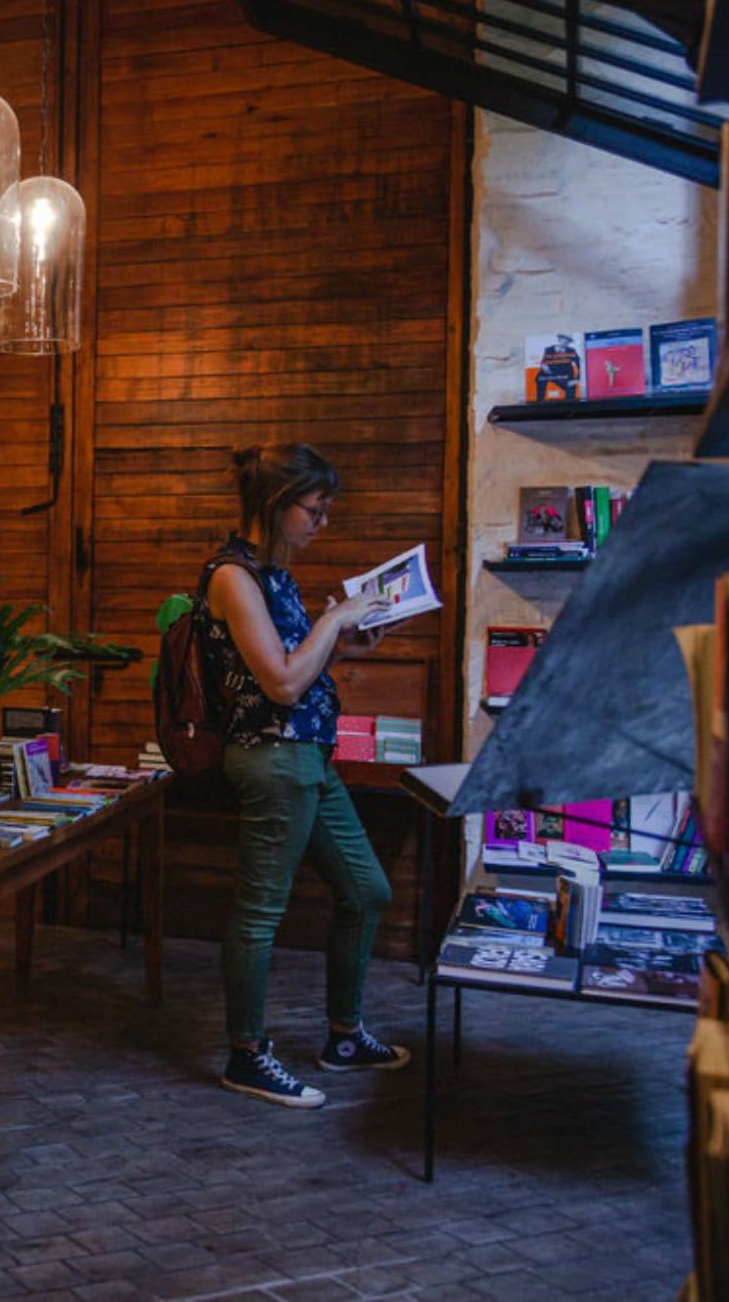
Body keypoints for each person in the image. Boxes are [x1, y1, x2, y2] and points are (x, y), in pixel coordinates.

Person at [202, 444, 409, 1109]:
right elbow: (284, 682)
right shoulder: (232, 577)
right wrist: (334, 619)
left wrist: (347, 640)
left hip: (311, 757)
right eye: (314, 510)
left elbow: (300, 661)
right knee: (260, 911)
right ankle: (247, 1054)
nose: (322, 523)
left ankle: (344, 1036)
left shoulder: (275, 574)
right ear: (275, 504)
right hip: (272, 757)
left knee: (367, 890)